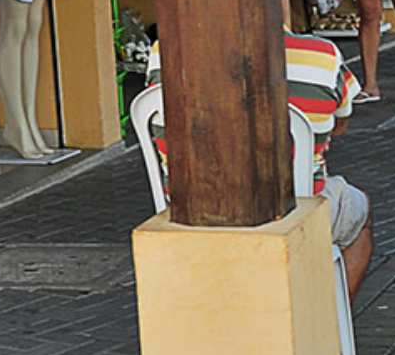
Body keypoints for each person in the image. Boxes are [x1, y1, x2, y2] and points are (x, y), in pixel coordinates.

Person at [147, 21, 376, 298]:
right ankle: (326, 323)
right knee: (359, 209)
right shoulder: (322, 55)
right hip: (293, 208)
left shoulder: (164, 52)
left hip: (187, 209)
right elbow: (339, 126)